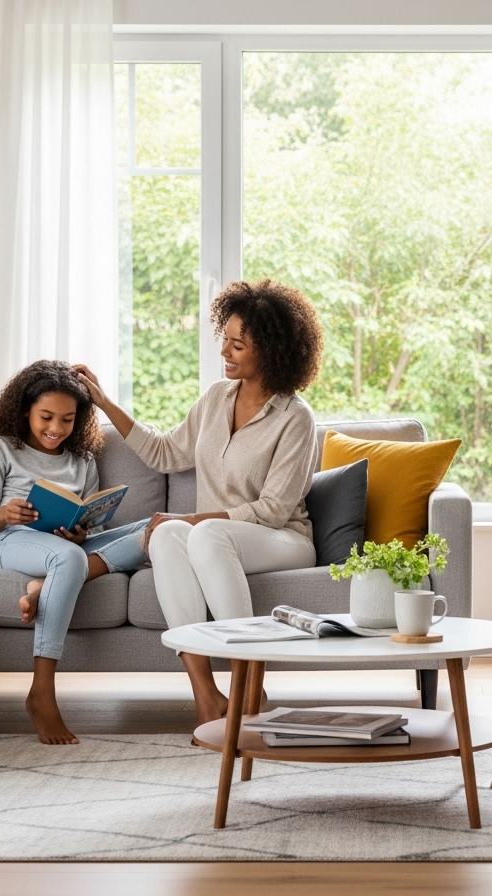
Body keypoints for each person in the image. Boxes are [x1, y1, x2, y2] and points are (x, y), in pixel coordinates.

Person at [75, 278, 324, 726]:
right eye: (224, 340)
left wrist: (193, 517)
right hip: (218, 537)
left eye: (237, 345)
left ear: (269, 349)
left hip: (281, 538)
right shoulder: (214, 399)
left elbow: (272, 510)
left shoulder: (295, 417)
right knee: (167, 533)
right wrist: (105, 402)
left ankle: (250, 686)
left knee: (198, 530)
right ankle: (206, 693)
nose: (224, 352)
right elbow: (164, 452)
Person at [0, 360, 151, 745]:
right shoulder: (2, 448)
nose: (56, 429)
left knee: (157, 527)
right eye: (46, 417)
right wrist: (3, 515)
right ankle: (42, 691)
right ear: (25, 410)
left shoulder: (82, 460)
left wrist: (82, 532)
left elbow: (93, 520)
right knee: (68, 560)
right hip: (10, 543)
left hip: (65, 546)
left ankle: (45, 585)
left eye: (67, 420)